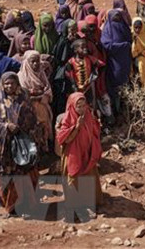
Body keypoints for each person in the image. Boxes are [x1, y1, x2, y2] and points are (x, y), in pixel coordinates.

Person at [0, 73, 41, 218]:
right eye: (6, 84)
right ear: (2, 84)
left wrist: (21, 128)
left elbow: (33, 119)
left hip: (22, 144)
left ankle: (25, 207)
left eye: (12, 83)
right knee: (6, 176)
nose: (9, 86)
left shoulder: (24, 99)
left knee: (24, 175)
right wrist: (6, 126)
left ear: (17, 84)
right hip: (4, 147)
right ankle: (10, 207)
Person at [56, 92, 102, 222]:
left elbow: (94, 132)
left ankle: (89, 204)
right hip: (73, 154)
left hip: (86, 152)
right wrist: (76, 127)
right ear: (72, 106)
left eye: (83, 105)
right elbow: (63, 139)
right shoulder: (66, 119)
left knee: (88, 177)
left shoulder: (88, 116)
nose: (82, 109)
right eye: (78, 106)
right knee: (73, 180)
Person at [18, 50, 54, 153]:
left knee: (44, 129)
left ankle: (44, 151)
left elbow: (48, 90)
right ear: (26, 62)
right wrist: (37, 96)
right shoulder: (21, 76)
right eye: (32, 61)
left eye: (37, 61)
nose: (35, 64)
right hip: (30, 110)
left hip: (43, 107)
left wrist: (41, 95)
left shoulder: (41, 74)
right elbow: (23, 95)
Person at [101, 9, 132, 114]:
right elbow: (106, 45)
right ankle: (116, 111)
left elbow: (131, 39)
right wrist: (123, 46)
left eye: (118, 18)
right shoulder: (107, 30)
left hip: (125, 61)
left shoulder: (123, 26)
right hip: (114, 63)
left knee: (125, 85)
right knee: (115, 87)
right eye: (114, 19)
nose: (117, 21)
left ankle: (125, 109)